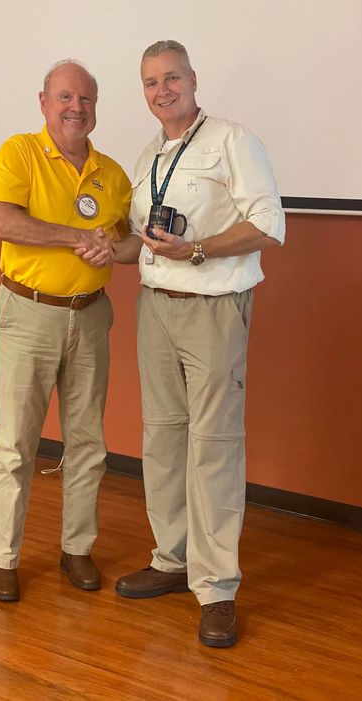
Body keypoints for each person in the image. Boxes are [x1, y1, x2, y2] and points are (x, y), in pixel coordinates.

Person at [113, 40, 285, 647]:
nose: (162, 90)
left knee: (213, 445)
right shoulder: (148, 155)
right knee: (162, 437)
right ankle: (172, 558)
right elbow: (143, 239)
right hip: (155, 307)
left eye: (171, 78)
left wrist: (198, 250)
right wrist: (105, 247)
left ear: (192, 79)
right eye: (150, 82)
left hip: (214, 308)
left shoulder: (233, 140)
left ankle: (216, 588)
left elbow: (269, 223)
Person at [0, 59, 131, 602]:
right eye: (65, 97)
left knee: (88, 442)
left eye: (86, 99)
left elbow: (128, 243)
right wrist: (76, 237)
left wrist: (112, 248)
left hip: (90, 315)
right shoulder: (20, 151)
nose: (76, 108)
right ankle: (2, 559)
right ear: (43, 102)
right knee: (15, 445)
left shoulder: (113, 174)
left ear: (96, 108)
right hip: (28, 313)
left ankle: (77, 548)